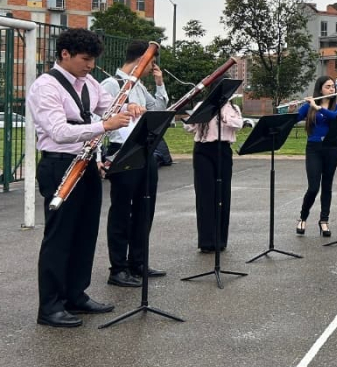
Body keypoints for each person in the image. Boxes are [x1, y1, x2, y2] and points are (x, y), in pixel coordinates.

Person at [28, 28, 140, 327]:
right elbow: (59, 132)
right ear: (64, 54)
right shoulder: (45, 86)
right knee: (59, 237)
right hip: (59, 165)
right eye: (85, 59)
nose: (90, 65)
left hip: (87, 163)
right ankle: (50, 306)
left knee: (85, 233)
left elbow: (109, 108)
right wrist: (104, 126)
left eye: (93, 60)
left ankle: (75, 294)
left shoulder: (89, 82)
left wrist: (130, 108)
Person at [100, 41, 170, 288]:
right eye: (151, 61)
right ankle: (118, 268)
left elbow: (159, 109)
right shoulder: (112, 84)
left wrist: (160, 84)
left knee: (145, 208)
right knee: (121, 211)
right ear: (141, 59)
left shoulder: (139, 85)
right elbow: (100, 119)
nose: (153, 66)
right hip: (122, 151)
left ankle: (138, 262)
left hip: (145, 150)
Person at [184, 85, 244, 253]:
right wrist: (200, 117)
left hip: (224, 150)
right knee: (205, 194)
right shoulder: (203, 104)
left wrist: (225, 117)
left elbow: (239, 124)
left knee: (223, 194)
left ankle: (221, 240)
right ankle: (206, 241)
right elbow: (188, 128)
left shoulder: (233, 107)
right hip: (203, 150)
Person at [294, 76, 337, 237]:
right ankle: (303, 217)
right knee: (314, 187)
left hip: (331, 148)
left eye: (333, 87)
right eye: (328, 86)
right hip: (314, 149)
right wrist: (293, 109)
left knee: (327, 186)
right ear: (320, 89)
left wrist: (319, 107)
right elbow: (294, 119)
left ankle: (324, 221)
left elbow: (336, 118)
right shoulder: (309, 107)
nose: (332, 89)